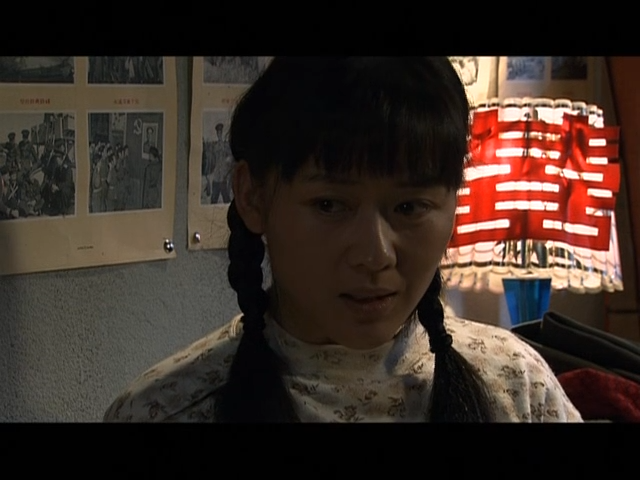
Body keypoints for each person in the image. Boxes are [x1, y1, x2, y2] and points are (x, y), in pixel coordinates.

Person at [104, 57, 582, 423]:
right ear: (252, 196)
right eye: (330, 205)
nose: (375, 255)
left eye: (409, 207)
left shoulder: (517, 388)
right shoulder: (169, 408)